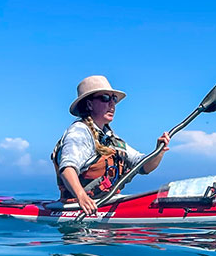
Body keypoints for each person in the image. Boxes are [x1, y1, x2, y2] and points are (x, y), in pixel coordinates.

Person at [51, 75, 171, 215]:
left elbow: (143, 166)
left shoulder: (110, 137)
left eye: (113, 99)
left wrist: (159, 151)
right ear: (89, 104)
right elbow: (68, 168)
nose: (112, 104)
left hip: (105, 202)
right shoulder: (79, 132)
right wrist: (81, 196)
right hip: (81, 207)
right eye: (105, 98)